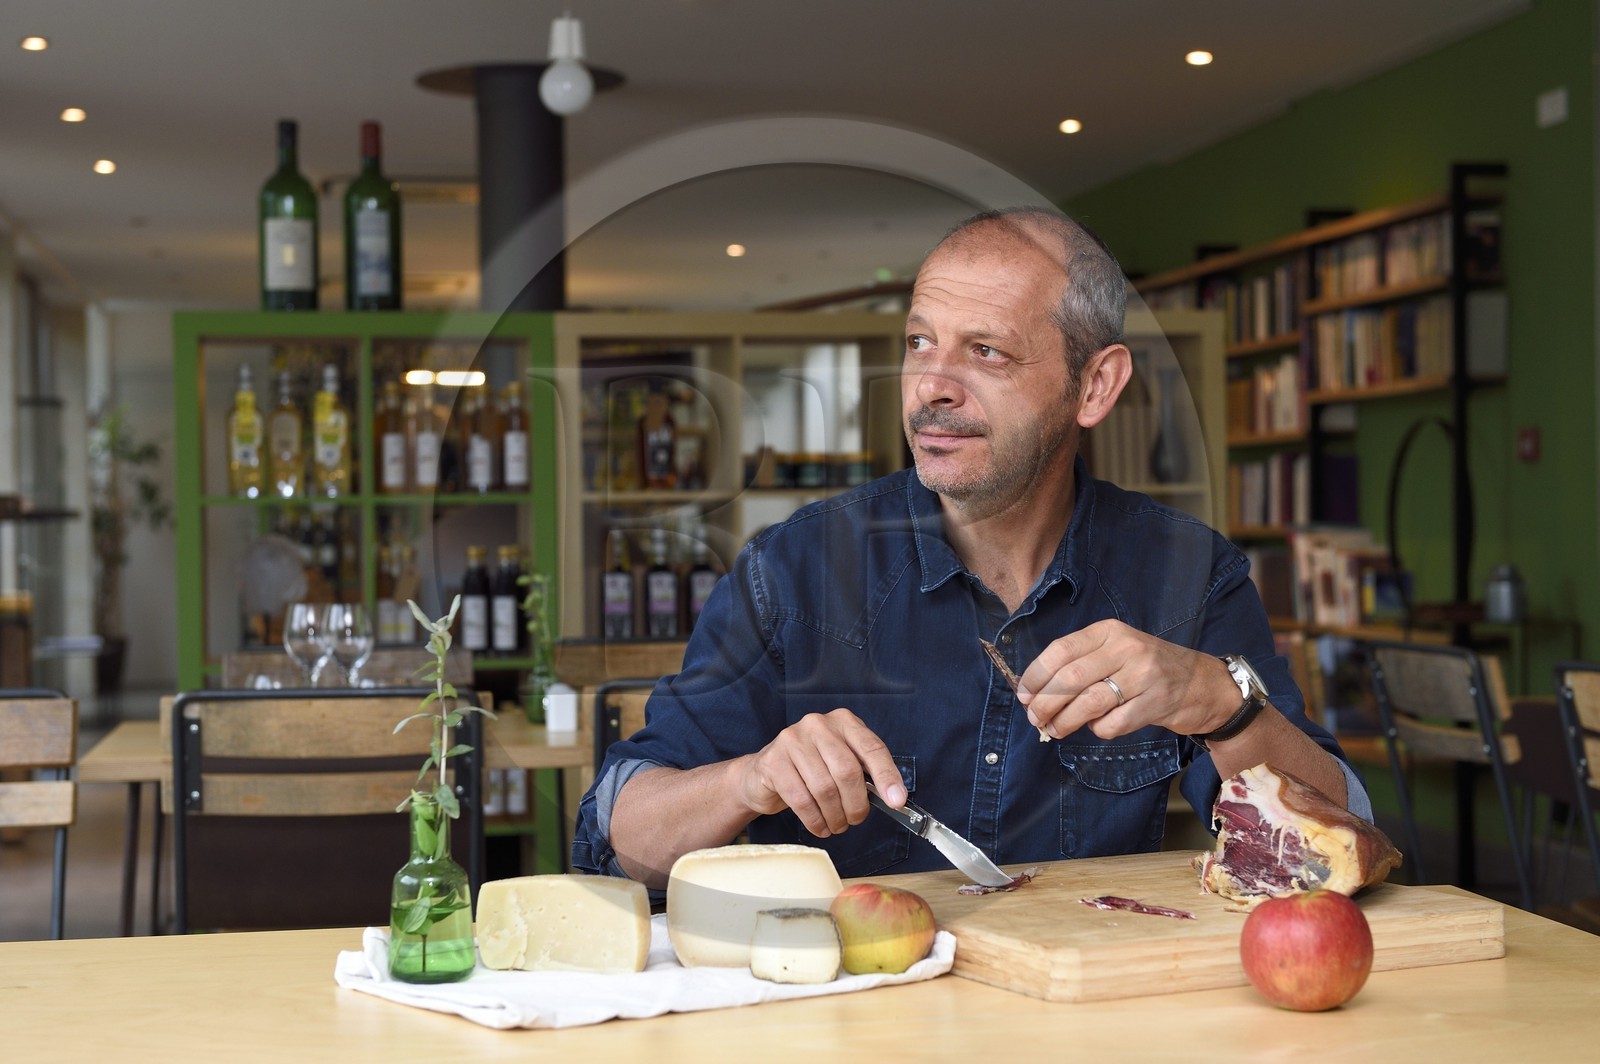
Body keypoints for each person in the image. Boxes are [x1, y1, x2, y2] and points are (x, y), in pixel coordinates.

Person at [573, 207, 1369, 888]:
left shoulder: (1188, 576)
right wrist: (748, 781)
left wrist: (1223, 703)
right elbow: (617, 839)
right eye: (921, 342)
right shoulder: (791, 570)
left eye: (986, 351)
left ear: (1095, 386)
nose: (932, 385)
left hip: (1083, 996)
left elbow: (1333, 846)